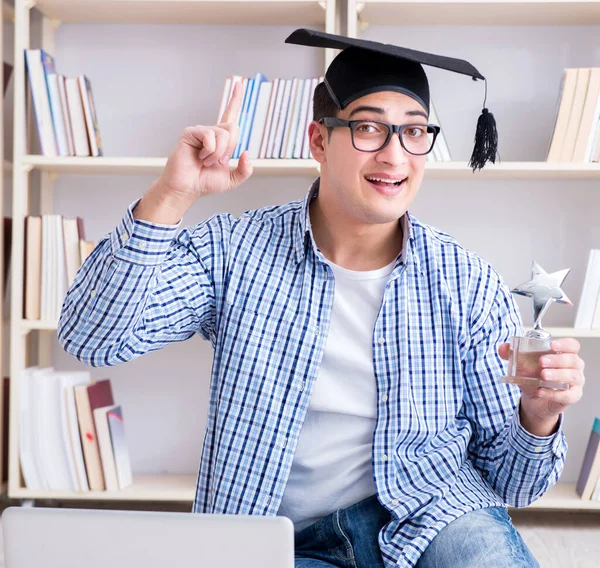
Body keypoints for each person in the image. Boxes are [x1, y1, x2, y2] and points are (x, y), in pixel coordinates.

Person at [58, 29, 586, 568]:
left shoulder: (466, 282)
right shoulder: (233, 250)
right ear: (318, 141)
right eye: (368, 128)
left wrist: (537, 416)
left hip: (436, 516)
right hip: (279, 538)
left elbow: (516, 486)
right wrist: (172, 195)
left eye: (413, 132)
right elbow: (92, 337)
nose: (394, 155)